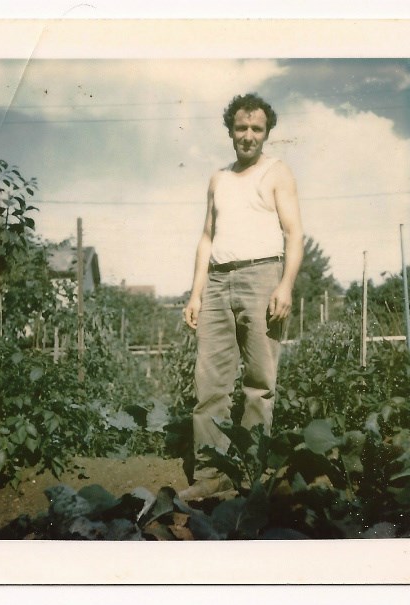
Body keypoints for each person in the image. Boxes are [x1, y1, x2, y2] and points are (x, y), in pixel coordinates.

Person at [179, 93, 304, 500]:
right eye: (241, 128)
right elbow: (206, 237)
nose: (248, 136)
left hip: (262, 277)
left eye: (257, 129)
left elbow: (293, 234)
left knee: (258, 383)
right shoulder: (218, 179)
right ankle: (212, 476)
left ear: (267, 133)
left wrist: (284, 285)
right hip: (216, 281)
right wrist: (196, 294)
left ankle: (250, 476)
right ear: (230, 130)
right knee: (210, 383)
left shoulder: (277, 171)